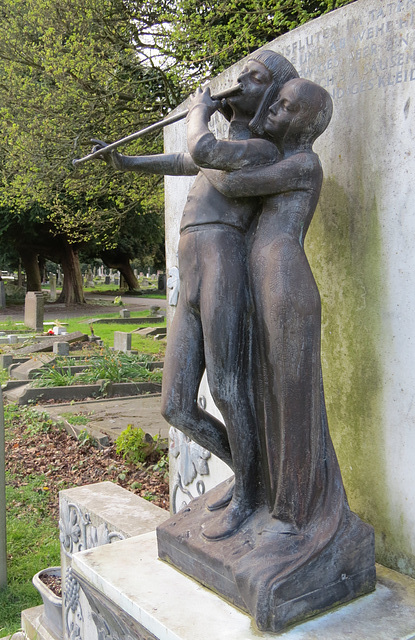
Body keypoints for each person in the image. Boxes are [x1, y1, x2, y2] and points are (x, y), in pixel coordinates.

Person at [93, 51, 299, 541]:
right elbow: (185, 159)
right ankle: (252, 476)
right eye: (242, 73)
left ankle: (250, 494)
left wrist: (198, 113)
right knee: (176, 405)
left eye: (254, 78)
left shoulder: (262, 151)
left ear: (270, 96)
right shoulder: (226, 144)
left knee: (229, 389)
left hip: (224, 260)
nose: (240, 82)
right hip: (192, 265)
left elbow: (202, 150)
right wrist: (126, 162)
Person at [201, 78, 348, 532]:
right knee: (264, 393)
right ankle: (264, 490)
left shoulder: (305, 164)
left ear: (302, 124)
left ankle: (296, 514)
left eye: (283, 109)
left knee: (292, 400)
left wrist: (202, 126)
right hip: (263, 277)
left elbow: (231, 184)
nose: (271, 112)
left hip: (286, 283)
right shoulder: (279, 155)